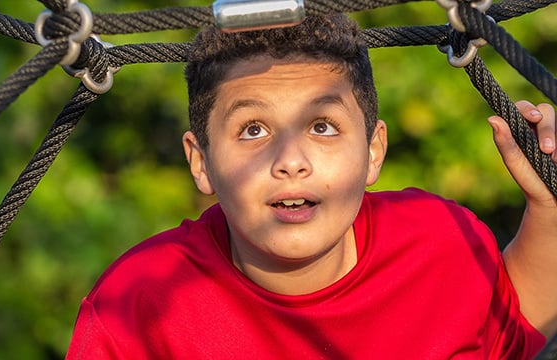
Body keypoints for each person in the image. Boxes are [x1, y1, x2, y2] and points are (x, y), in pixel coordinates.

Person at [65, 13, 557, 359]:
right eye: (252, 130)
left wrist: (549, 203)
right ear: (201, 162)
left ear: (372, 150)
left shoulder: (438, 239)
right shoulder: (141, 303)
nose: (291, 162)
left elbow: (516, 333)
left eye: (322, 126)